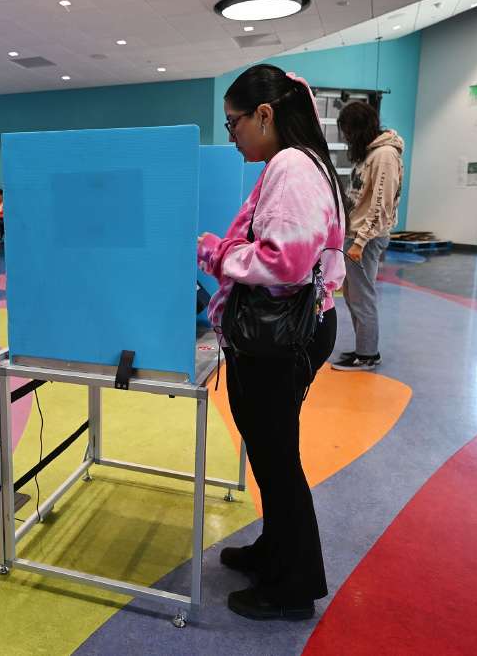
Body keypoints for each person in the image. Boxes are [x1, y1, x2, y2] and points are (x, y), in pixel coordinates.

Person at [197, 64, 346, 621]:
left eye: (233, 123)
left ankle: (295, 585)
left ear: (265, 114)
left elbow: (286, 258)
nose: (231, 136)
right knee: (269, 451)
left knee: (278, 459)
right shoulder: (308, 161)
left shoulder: (289, 164)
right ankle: (274, 550)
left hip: (279, 335)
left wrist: (217, 253)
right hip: (294, 329)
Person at [331, 102, 403, 371]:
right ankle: (364, 348)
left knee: (362, 296)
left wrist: (360, 242)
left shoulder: (384, 154)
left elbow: (382, 205)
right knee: (353, 295)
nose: (347, 137)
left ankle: (368, 354)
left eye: (348, 130)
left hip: (366, 239)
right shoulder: (371, 154)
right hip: (355, 235)